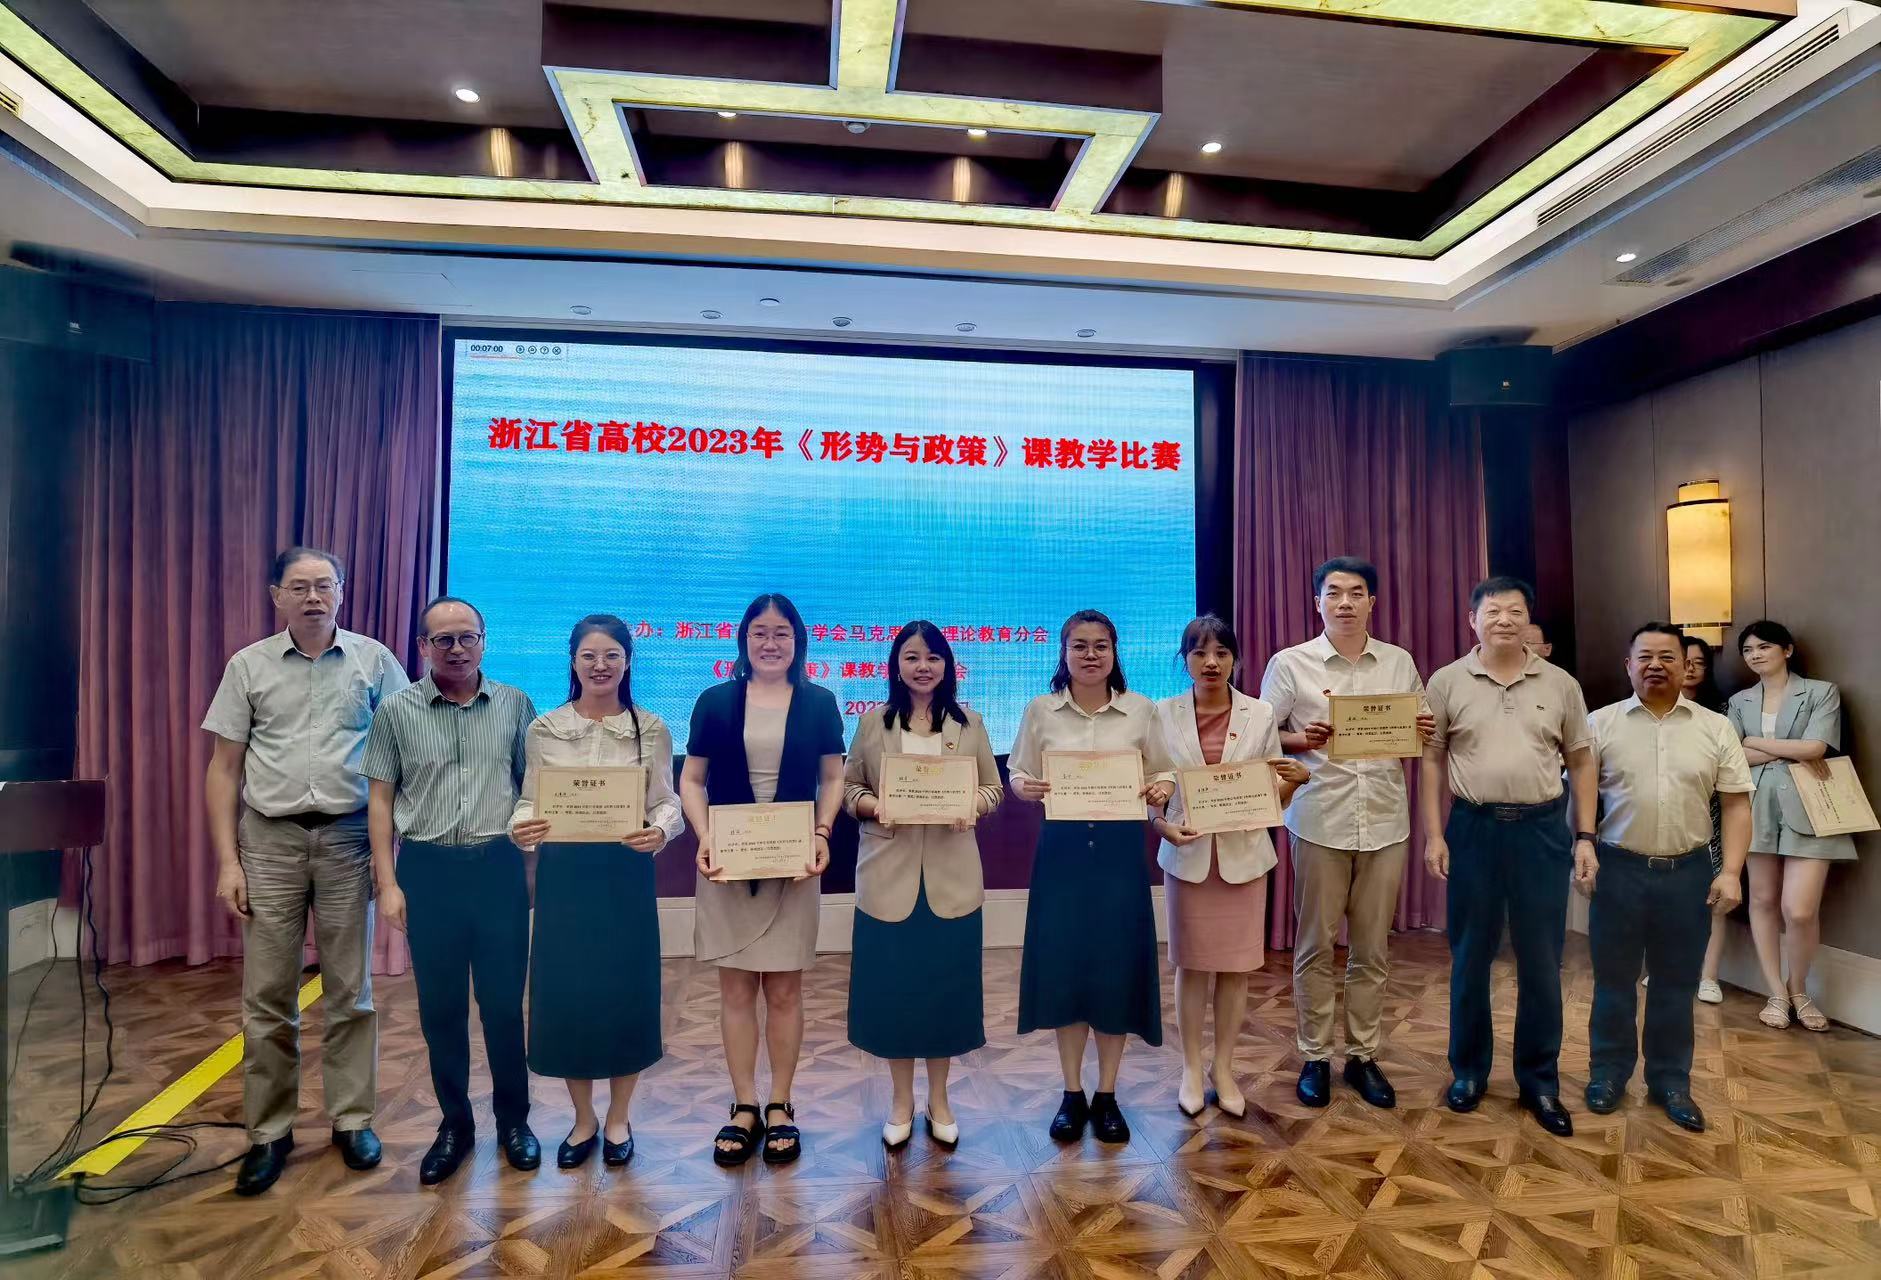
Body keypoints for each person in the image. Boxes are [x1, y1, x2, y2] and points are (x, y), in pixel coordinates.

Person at [202, 547, 408, 1196]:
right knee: (268, 997)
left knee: (351, 992)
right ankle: (269, 1131)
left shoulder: (375, 661)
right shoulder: (249, 666)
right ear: (277, 596)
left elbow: (404, 754)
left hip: (349, 840)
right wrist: (228, 862)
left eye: (324, 585)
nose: (313, 597)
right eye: (299, 587)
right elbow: (223, 770)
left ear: (342, 592)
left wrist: (390, 857)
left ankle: (352, 1120)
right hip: (269, 844)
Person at [363, 596, 540, 1185]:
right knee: (440, 1010)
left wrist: (531, 872)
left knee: (503, 1007)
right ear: (423, 647)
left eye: (468, 637)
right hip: (429, 872)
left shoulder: (515, 704)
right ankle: (454, 1125)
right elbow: (381, 800)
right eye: (444, 640)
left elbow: (531, 790)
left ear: (484, 641)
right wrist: (388, 882)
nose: (457, 649)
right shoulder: (397, 711)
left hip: (497, 869)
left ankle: (514, 1121)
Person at [1421, 577, 1596, 1137]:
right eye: (1492, 611)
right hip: (1472, 828)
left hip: (1542, 832)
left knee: (1542, 959)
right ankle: (1469, 1072)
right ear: (1472, 620)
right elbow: (1431, 760)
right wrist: (1434, 835)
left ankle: (1539, 1080)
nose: (1503, 620)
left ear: (1528, 620)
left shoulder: (1561, 683)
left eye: (1514, 611)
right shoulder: (1447, 680)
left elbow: (1582, 761)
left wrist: (1585, 835)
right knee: (1471, 956)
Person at [508, 615, 683, 1168]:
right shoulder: (545, 728)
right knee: (568, 996)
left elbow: (666, 800)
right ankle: (583, 1119)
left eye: (611, 655)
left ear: (628, 662)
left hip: (625, 876)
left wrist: (660, 831)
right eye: (589, 656)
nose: (600, 665)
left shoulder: (650, 728)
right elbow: (529, 799)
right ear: (573, 661)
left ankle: (619, 1117)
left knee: (626, 993)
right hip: (564, 880)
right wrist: (522, 826)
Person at [1260, 557, 1433, 1110]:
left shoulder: (1398, 661)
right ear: (1318, 603)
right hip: (1319, 817)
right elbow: (1260, 735)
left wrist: (1421, 727)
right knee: (1315, 944)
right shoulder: (1291, 663)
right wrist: (1301, 739)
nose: (1345, 603)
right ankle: (1314, 1055)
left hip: (1384, 819)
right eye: (1333, 593)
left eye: (1356, 593)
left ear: (1372, 602)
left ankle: (1362, 1054)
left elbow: (1419, 726)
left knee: (1372, 948)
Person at [681, 593, 844, 1166]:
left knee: (785, 991)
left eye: (781, 633)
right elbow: (691, 780)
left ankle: (780, 1105)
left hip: (795, 864)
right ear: (744, 640)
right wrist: (706, 835)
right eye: (759, 633)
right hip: (728, 865)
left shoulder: (820, 702)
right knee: (735, 991)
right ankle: (744, 1105)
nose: (770, 643)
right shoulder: (714, 701)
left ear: (797, 641)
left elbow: (833, 777)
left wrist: (822, 832)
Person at [1009, 609, 1174, 1144]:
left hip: (1119, 855)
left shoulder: (1141, 709)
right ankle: (1071, 1092)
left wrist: (1163, 788)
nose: (1090, 654)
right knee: (1066, 970)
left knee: (1114, 970)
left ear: (1114, 651)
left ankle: (1107, 1093)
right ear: (1064, 652)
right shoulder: (1041, 710)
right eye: (1079, 645)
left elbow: (1163, 770)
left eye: (1100, 645)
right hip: (1061, 855)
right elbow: (1018, 773)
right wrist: (1024, 788)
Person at [1584, 623, 1751, 1133]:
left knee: (1676, 985)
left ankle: (1670, 1081)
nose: (1655, 665)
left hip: (1688, 872)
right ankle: (1607, 1075)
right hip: (1618, 869)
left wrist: (1731, 871)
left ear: (1686, 666)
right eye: (1645, 657)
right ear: (1628, 665)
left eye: (1667, 657)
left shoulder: (1715, 728)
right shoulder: (1600, 724)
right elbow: (1580, 797)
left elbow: (1736, 803)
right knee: (1614, 982)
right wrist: (1581, 845)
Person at [843, 621, 1002, 1150]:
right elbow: (850, 789)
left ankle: (939, 1099)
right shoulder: (872, 723)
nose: (923, 666)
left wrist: (970, 806)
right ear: (896, 665)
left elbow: (993, 788)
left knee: (944, 993)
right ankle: (900, 1101)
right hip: (888, 877)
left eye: (933, 657)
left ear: (947, 665)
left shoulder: (969, 724)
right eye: (912, 657)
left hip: (951, 879)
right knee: (894, 994)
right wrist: (877, 806)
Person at [1154, 616, 1306, 1119]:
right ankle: (1190, 1068)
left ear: (1235, 659)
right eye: (1199, 652)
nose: (1211, 662)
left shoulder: (1260, 714)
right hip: (1188, 855)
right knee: (1191, 966)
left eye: (1221, 652)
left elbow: (1270, 797)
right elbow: (1154, 785)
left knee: (1236, 970)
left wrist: (1296, 781)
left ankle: (1223, 1068)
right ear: (1185, 660)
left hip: (1244, 858)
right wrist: (1160, 824)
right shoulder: (1162, 714)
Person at [1725, 620, 1855, 1033]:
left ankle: (1798, 987)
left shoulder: (1820, 692)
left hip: (1810, 804)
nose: (1755, 655)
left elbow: (1816, 747)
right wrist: (1789, 750)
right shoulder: (1740, 700)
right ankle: (1776, 993)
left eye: (1764, 646)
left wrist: (1755, 743)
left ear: (1787, 650)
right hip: (1755, 806)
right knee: (1762, 901)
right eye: (1748, 650)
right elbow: (1731, 758)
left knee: (1799, 910)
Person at [1680, 636, 1731, 1005]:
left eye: (1699, 662)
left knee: (1714, 894)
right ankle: (1671, 967)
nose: (1691, 668)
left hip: (1713, 810)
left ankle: (1709, 976)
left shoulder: (1722, 711)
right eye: (1684, 660)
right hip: (1668, 812)